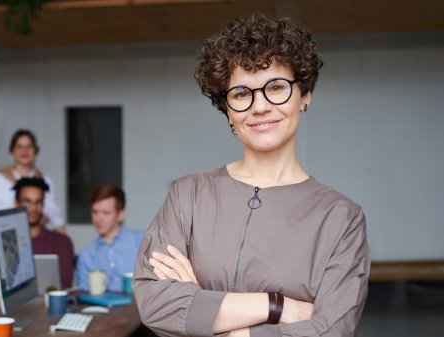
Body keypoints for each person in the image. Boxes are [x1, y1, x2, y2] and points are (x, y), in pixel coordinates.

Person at [133, 14, 370, 337]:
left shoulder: (341, 218)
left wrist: (201, 309)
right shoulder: (188, 194)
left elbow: (332, 332)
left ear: (305, 95)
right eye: (242, 93)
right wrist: (278, 307)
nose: (259, 107)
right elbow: (156, 304)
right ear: (228, 110)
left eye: (275, 87)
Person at [0, 177, 74, 289]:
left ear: (43, 206)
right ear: (16, 204)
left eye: (38, 202)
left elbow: (64, 284)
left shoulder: (62, 242)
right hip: (8, 304)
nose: (33, 208)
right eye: (27, 202)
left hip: (46, 304)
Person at [0, 129, 65, 240]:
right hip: (3, 237)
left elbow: (53, 213)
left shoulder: (44, 181)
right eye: (19, 146)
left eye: (29, 146)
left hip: (34, 239)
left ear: (35, 150)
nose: (24, 151)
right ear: (12, 150)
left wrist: (60, 232)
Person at [76, 184, 144, 293]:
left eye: (105, 213)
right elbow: (84, 294)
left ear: (120, 215)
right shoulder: (87, 253)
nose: (98, 219)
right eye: (95, 212)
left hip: (139, 308)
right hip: (101, 309)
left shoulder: (141, 241)